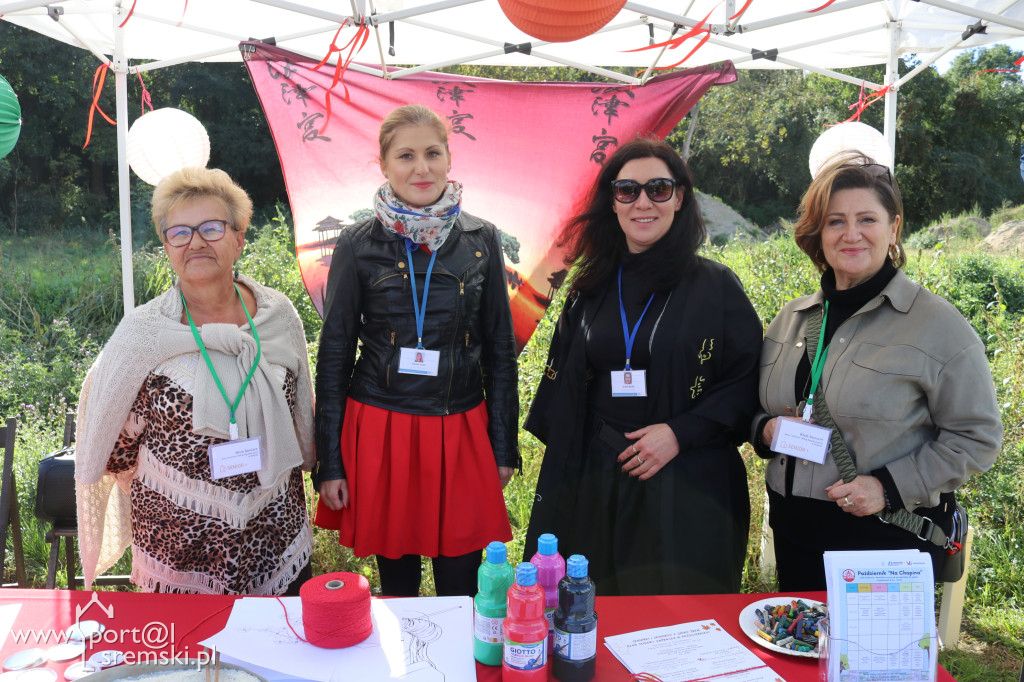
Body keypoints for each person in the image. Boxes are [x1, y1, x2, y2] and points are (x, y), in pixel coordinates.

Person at [753, 153, 1002, 591]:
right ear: (819, 233)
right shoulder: (790, 318)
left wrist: (887, 487)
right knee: (800, 656)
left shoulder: (938, 326)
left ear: (894, 229)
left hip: (883, 546)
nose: (851, 234)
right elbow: (755, 407)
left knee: (868, 661)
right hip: (794, 537)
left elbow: (977, 438)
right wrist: (766, 430)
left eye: (866, 219)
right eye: (835, 221)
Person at [524, 137, 762, 596]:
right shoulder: (590, 287)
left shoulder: (714, 287)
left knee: (679, 621)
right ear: (612, 203)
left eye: (658, 188)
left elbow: (747, 380)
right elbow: (567, 390)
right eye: (627, 190)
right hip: (599, 476)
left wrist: (679, 433)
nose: (643, 202)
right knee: (595, 611)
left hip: (688, 478)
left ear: (679, 198)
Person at [75, 167, 315, 594]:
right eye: (179, 232)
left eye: (212, 227)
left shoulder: (277, 315)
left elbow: (300, 411)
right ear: (166, 246)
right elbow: (114, 444)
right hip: (178, 546)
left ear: (239, 238)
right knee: (185, 659)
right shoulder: (142, 334)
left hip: (275, 532)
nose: (197, 242)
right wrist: (184, 486)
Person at [314, 104, 518, 598]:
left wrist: (503, 445)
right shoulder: (358, 243)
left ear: (449, 159)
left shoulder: (481, 239)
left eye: (432, 153)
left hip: (462, 425)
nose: (420, 168)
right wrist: (331, 461)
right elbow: (336, 351)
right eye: (405, 155)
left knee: (461, 583)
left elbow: (500, 351)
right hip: (383, 426)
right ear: (384, 165)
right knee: (398, 586)